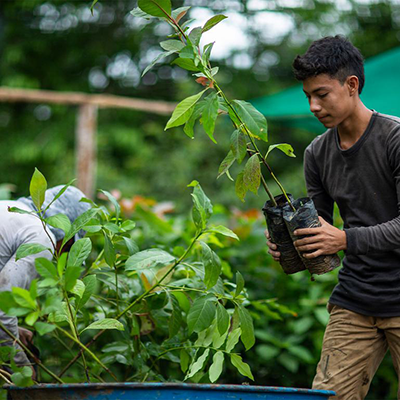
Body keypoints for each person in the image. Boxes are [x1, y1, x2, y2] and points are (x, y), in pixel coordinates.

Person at [266, 35, 400, 400]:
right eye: (308, 96)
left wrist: (345, 239)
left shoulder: (395, 138)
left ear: (352, 85)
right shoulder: (317, 153)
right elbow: (319, 230)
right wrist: (292, 245)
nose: (312, 106)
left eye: (322, 94)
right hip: (355, 299)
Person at [0, 185, 90, 371]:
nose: (60, 256)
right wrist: (22, 366)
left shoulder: (11, 211)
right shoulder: (41, 238)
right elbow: (2, 308)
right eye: (68, 250)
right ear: (67, 234)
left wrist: (14, 333)